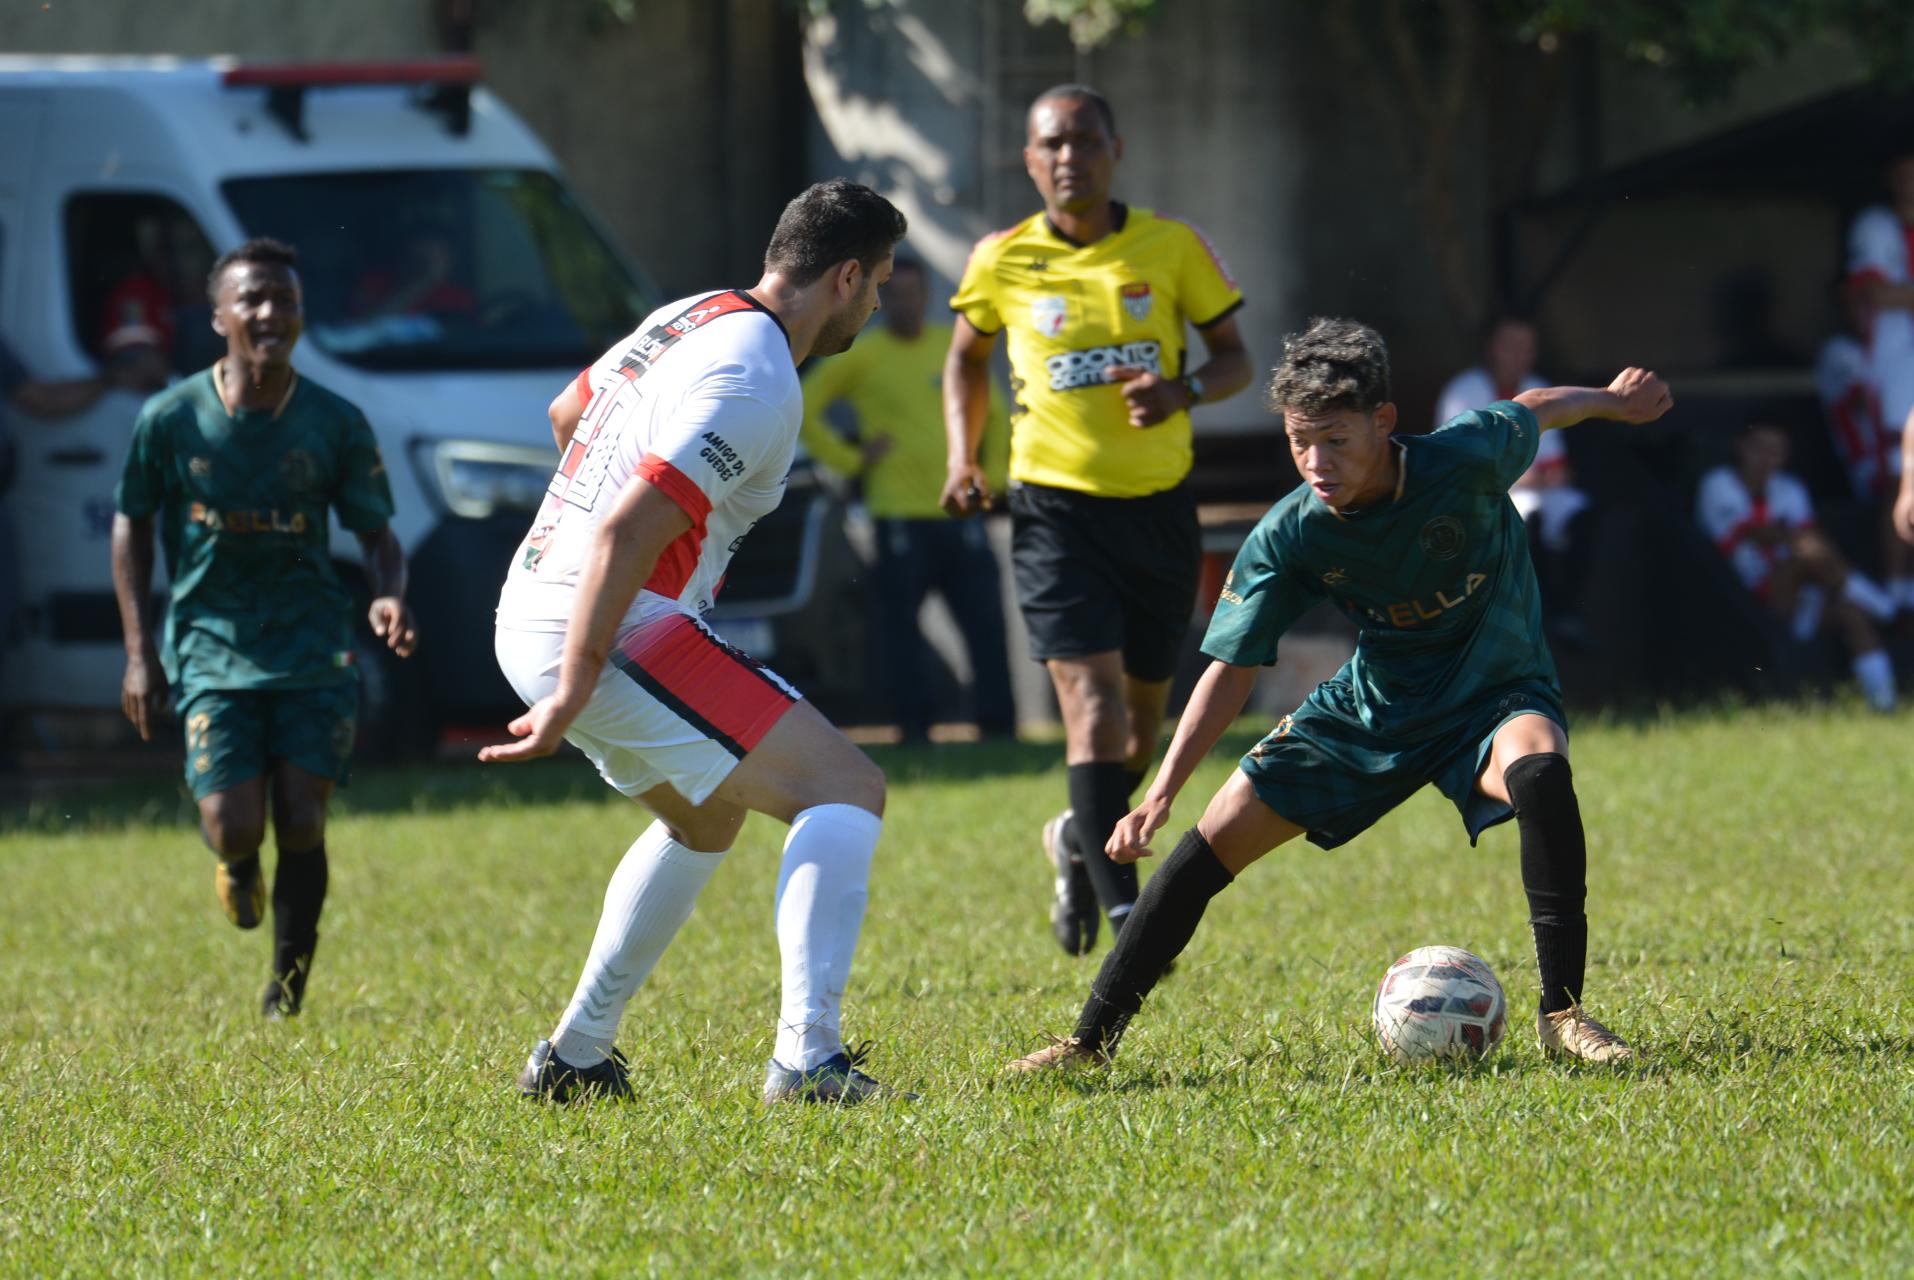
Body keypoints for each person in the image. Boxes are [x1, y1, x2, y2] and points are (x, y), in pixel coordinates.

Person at [1007, 317, 1671, 1075]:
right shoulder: (1290, 535)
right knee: (1211, 841)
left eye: (1336, 439)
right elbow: (1229, 667)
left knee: (1542, 769)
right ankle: (1087, 1045)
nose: (1316, 462)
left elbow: (1541, 404)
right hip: (1372, 709)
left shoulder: (1466, 456)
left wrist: (1614, 400)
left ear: (1383, 423)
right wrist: (1160, 793)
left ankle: (1564, 1015)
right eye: (1299, 441)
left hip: (1493, 692)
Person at [486, 180, 910, 1106]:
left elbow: (569, 415)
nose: (877, 304)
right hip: (605, 621)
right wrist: (575, 683)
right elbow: (625, 535)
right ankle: (809, 1062)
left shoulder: (691, 314)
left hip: (530, 607)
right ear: (843, 277)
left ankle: (577, 1058)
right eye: (877, 283)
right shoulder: (759, 380)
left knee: (704, 818)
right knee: (845, 789)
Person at [942, 84, 1252, 957]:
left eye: (1084, 140)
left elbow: (1235, 361)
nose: (1068, 157)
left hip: (1157, 513)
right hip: (1053, 511)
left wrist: (1181, 388)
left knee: (1139, 732)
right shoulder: (1001, 259)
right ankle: (1126, 915)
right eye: (1051, 144)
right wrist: (965, 458)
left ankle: (1080, 841)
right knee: (1092, 708)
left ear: (1116, 148)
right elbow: (965, 362)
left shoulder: (1172, 246)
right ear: (1030, 161)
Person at [111, 237, 418, 1018]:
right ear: (219, 317)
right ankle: (236, 862)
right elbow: (131, 524)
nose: (270, 313)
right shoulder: (171, 418)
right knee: (234, 823)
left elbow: (378, 534)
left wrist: (387, 593)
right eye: (252, 299)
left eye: (284, 298)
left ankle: (285, 990)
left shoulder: (334, 422)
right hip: (211, 641)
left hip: (312, 640)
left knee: (305, 816)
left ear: (302, 314)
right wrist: (140, 654)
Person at [800, 256, 1016, 743]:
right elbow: (805, 407)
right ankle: (915, 730)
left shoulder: (952, 348)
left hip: (959, 514)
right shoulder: (863, 354)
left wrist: (994, 479)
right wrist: (851, 459)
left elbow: (998, 415)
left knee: (985, 626)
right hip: (896, 517)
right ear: (879, 299)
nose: (904, 302)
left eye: (913, 293)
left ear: (926, 297)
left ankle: (1000, 729)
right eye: (893, 293)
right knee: (900, 635)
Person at [1698, 421, 1898, 711]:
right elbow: (1754, 533)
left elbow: (1814, 539)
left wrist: (1805, 545)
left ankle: (1886, 705)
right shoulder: (1717, 484)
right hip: (1742, 601)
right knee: (1808, 551)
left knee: (1853, 614)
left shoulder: (1789, 488)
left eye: (1776, 451)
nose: (1767, 458)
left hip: (1798, 597)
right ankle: (1888, 610)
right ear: (1740, 447)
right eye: (1760, 448)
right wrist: (1799, 542)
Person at [1437, 314, 1591, 643]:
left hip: (1533, 489)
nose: (1519, 355)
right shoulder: (1464, 391)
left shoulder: (1540, 388)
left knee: (1579, 512)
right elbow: (1456, 464)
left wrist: (1543, 475)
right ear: (1492, 348)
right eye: (1511, 346)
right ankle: (1531, 615)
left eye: (1526, 348)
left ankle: (1567, 614)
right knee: (1530, 515)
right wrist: (1521, 475)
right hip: (1478, 497)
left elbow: (1555, 466)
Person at [1816, 277, 1914, 610]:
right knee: (1902, 479)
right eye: (1857, 303)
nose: (1866, 313)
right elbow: (1868, 409)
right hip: (1866, 460)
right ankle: (1898, 596)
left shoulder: (1896, 354)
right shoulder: (1840, 351)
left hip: (1893, 451)